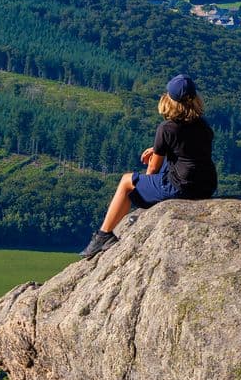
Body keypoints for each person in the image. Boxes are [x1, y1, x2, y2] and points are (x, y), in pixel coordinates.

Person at [83, 74, 218, 257]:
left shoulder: (166, 128)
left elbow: (153, 169)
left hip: (183, 188)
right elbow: (187, 150)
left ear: (169, 101)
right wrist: (156, 149)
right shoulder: (203, 125)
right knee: (165, 166)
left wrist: (147, 182)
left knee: (126, 182)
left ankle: (103, 235)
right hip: (206, 186)